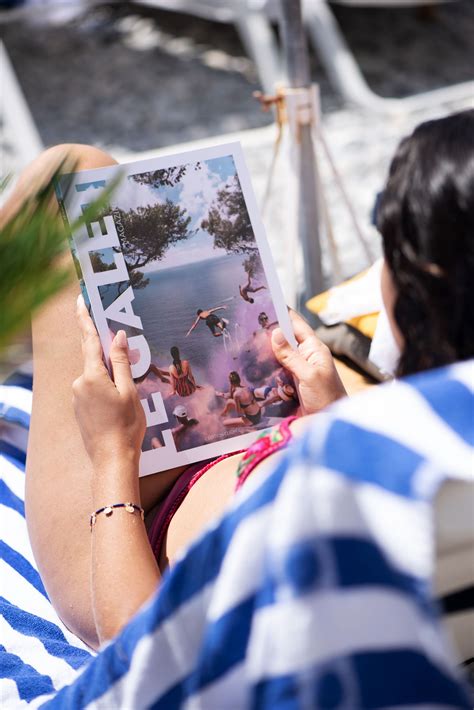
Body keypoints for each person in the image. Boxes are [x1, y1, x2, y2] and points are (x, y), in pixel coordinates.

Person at [10, 109, 474, 655]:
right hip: (219, 462)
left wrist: (113, 455)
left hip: (126, 554)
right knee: (84, 178)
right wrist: (328, 415)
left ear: (420, 286)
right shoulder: (438, 443)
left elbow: (144, 657)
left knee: (57, 179)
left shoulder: (347, 485)